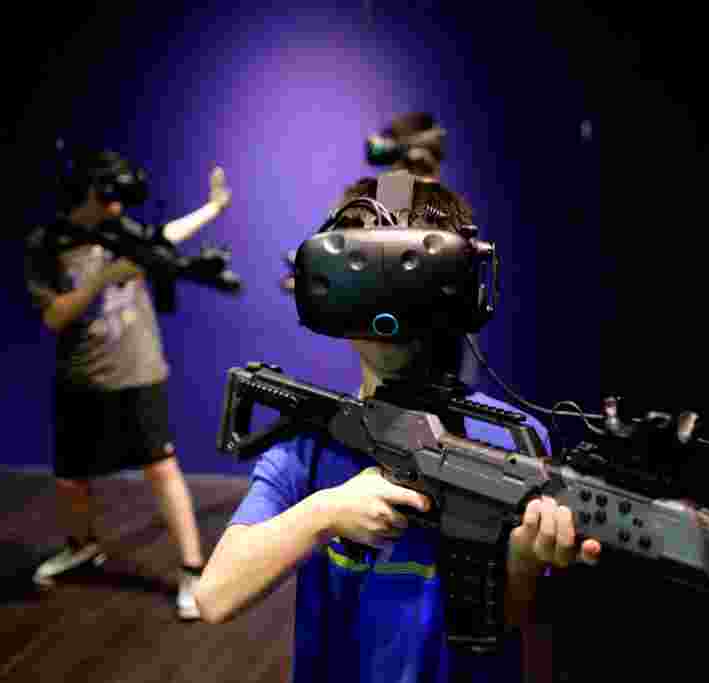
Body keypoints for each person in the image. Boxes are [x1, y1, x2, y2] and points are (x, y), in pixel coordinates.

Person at [194, 175, 601, 682]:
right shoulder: (310, 446)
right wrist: (325, 513)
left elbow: (504, 620)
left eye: (410, 274)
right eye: (369, 274)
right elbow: (213, 595)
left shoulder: (513, 440)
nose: (388, 305)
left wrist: (521, 561)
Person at [24, 149, 232, 619]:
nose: (120, 204)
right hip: (81, 376)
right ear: (91, 192)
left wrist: (214, 210)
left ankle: (192, 571)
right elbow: (55, 317)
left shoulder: (125, 233)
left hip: (138, 371)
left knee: (162, 468)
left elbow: (163, 239)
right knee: (71, 478)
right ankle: (82, 546)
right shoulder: (49, 243)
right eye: (111, 193)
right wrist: (103, 279)